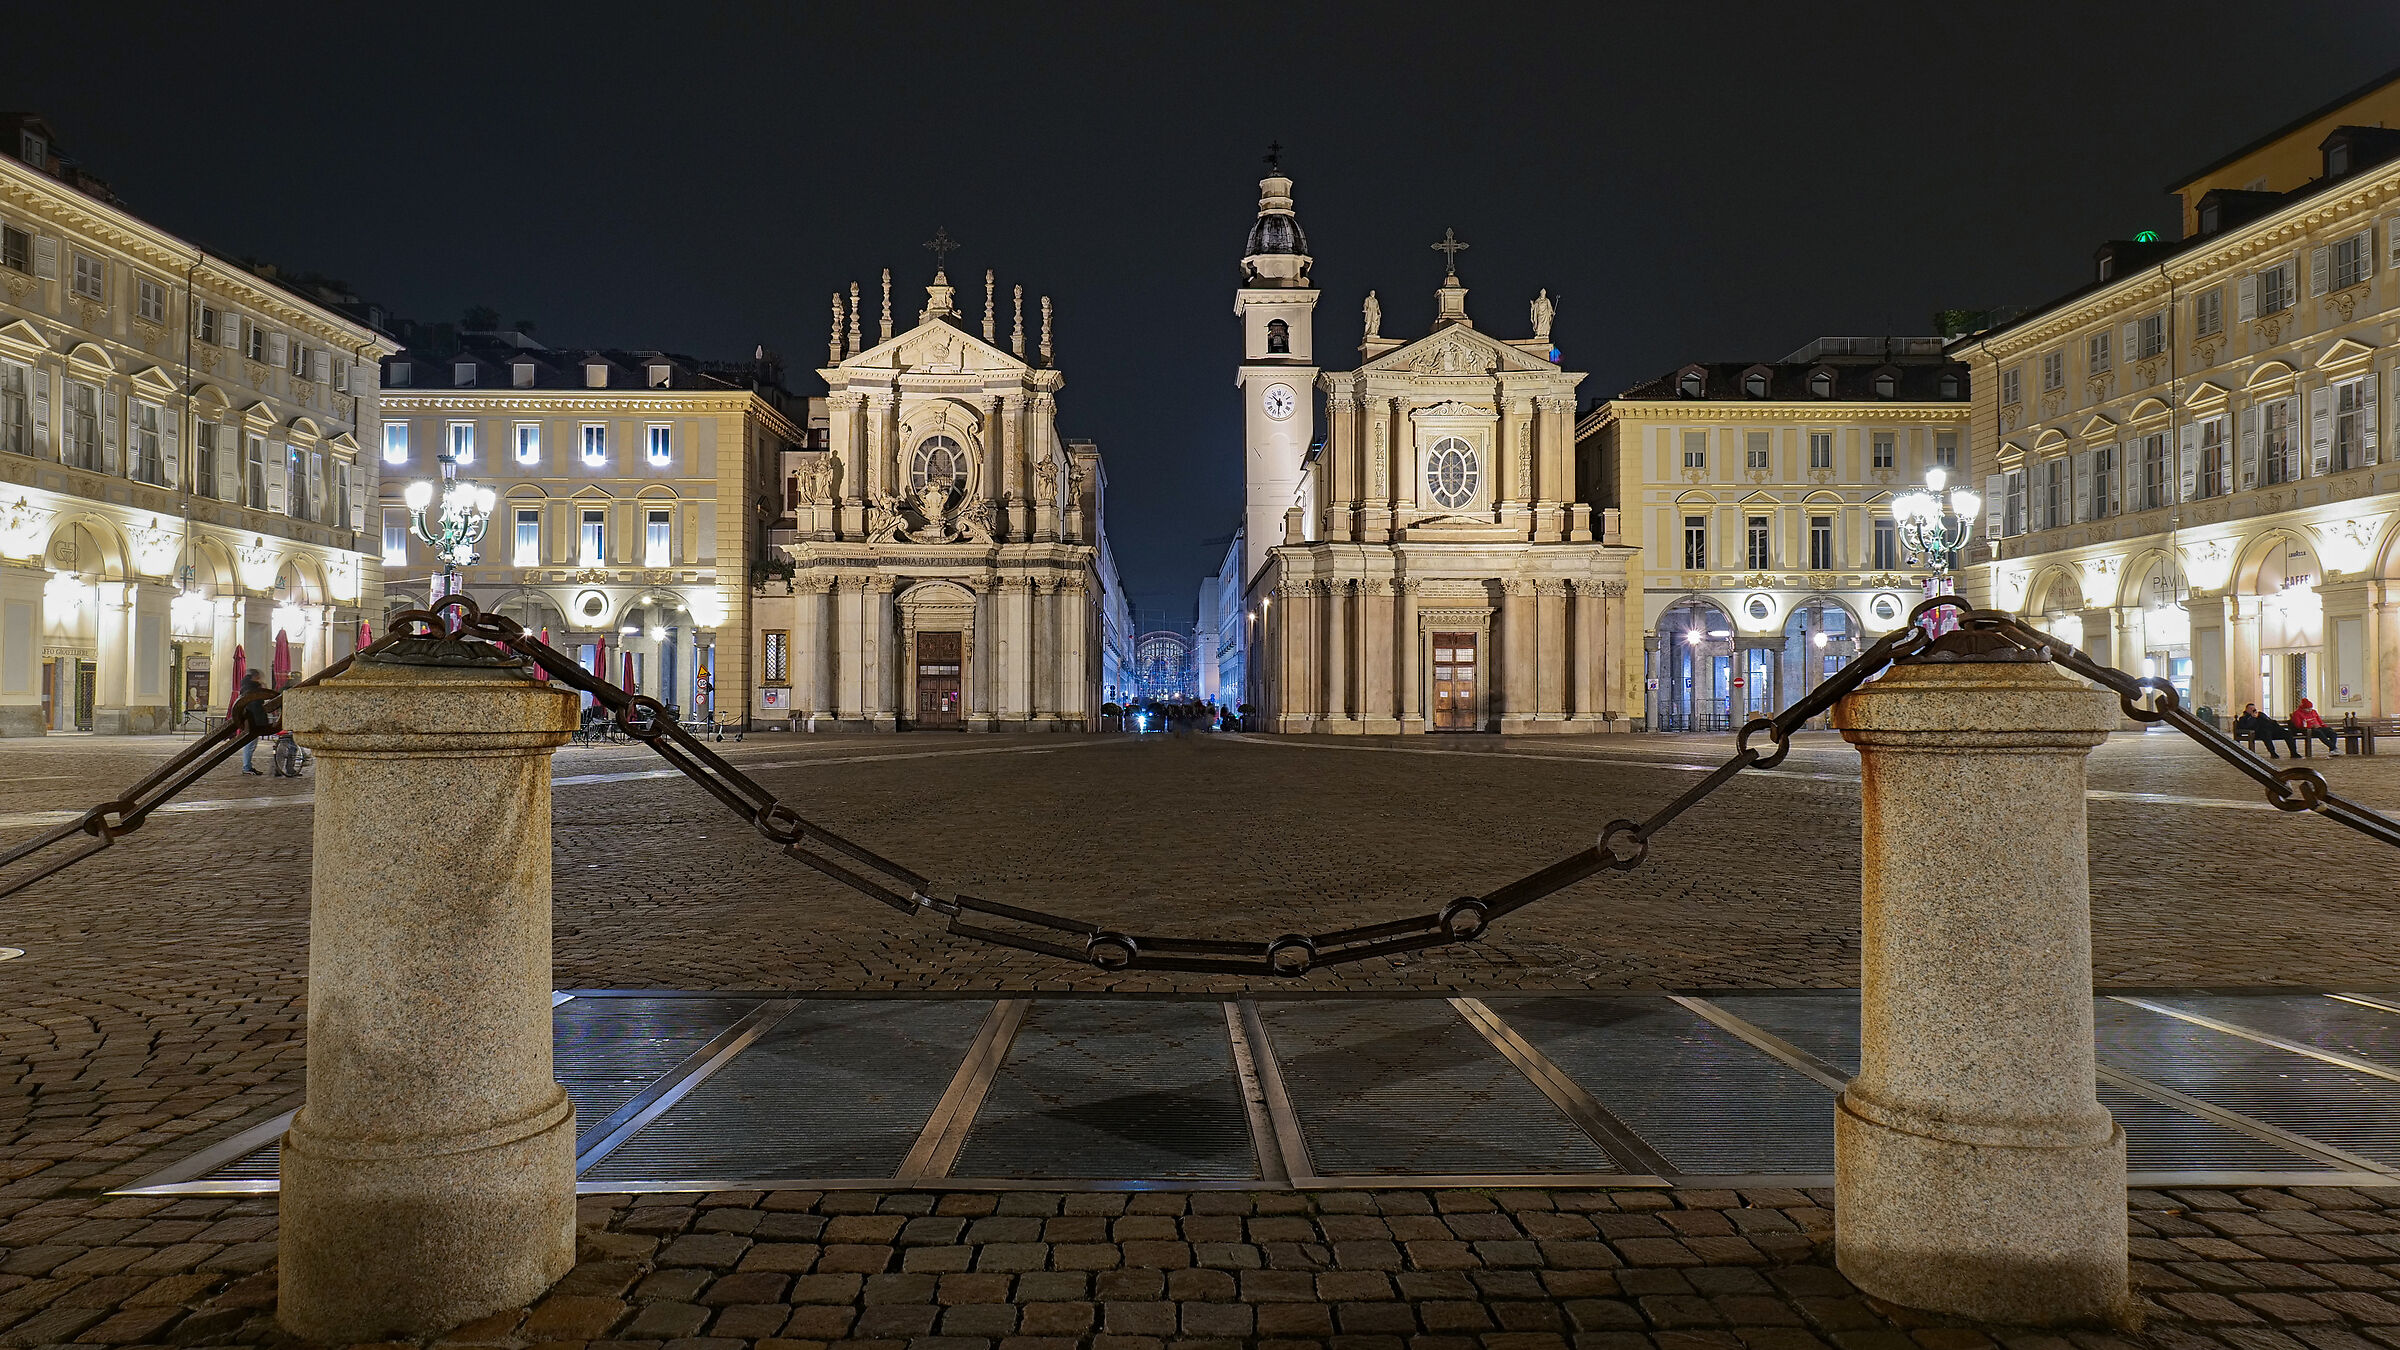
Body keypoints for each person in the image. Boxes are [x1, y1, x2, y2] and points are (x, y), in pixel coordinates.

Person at [234, 672, 274, 774]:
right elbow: (257, 704)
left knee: (251, 744)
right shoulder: (253, 690)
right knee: (250, 744)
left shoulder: (247, 688)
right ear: (254, 678)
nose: (260, 679)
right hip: (254, 720)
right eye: (258, 677)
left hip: (252, 719)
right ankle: (247, 767)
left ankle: (248, 766)